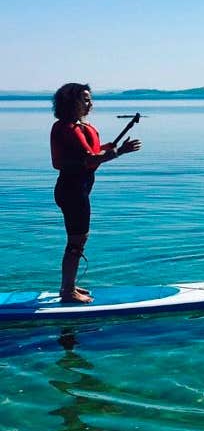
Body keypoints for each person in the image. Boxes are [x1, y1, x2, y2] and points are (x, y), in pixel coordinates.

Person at [51, 83, 141, 303]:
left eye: (90, 99)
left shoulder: (79, 127)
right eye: (85, 99)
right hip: (72, 190)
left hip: (77, 189)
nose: (90, 104)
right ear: (71, 102)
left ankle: (69, 285)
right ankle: (67, 291)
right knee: (76, 240)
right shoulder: (67, 128)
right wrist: (120, 152)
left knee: (78, 239)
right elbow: (90, 160)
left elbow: (93, 152)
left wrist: (109, 147)